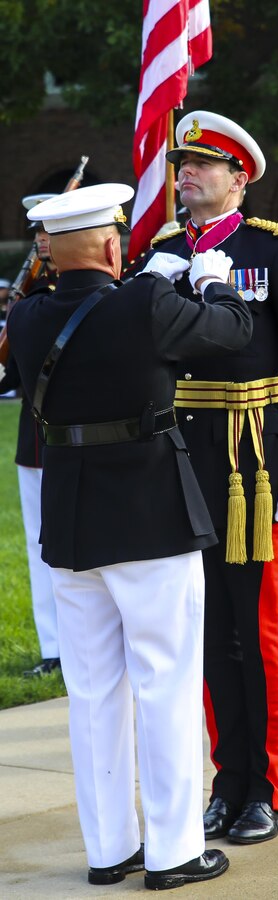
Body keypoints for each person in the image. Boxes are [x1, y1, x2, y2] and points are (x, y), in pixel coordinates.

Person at [7, 183, 253, 888]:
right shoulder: (145, 304)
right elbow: (231, 334)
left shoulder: (26, 317)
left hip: (73, 523)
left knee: (92, 693)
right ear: (114, 245)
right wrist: (211, 281)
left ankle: (109, 848)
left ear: (51, 250)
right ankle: (175, 851)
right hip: (149, 517)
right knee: (166, 683)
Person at [136, 111, 278, 844]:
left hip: (251, 465)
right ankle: (225, 781)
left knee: (253, 632)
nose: (186, 174)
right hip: (178, 463)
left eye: (203, 165)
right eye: (181, 164)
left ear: (239, 177)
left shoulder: (273, 252)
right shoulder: (161, 254)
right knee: (202, 629)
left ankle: (266, 790)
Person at [0, 195, 61, 676]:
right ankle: (53, 646)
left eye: (49, 227)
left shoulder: (85, 286)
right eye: (37, 228)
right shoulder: (28, 291)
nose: (40, 236)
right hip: (34, 439)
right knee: (40, 544)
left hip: (77, 432)